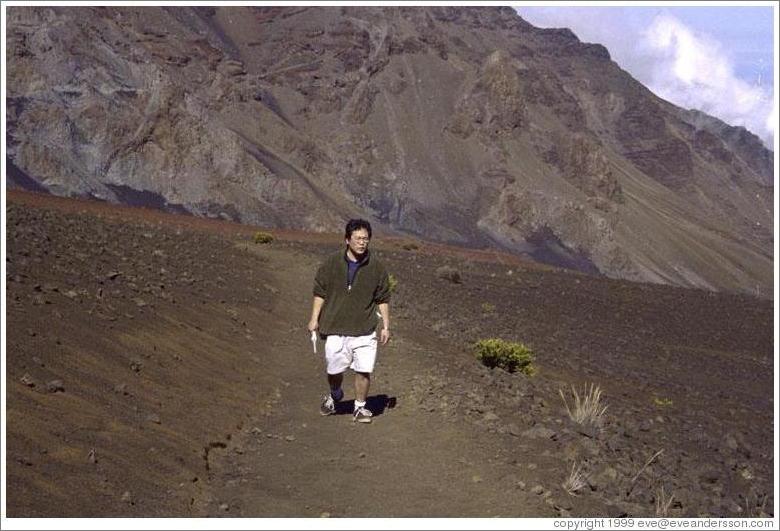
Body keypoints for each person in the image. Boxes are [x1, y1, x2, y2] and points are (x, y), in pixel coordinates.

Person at [308, 219, 391, 423]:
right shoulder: (331, 264)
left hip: (365, 328)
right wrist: (314, 319)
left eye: (366, 238)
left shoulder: (377, 268)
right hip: (335, 327)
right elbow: (320, 292)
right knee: (334, 371)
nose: (362, 242)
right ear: (347, 239)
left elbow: (383, 298)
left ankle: (360, 407)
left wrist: (386, 326)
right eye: (358, 238)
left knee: (364, 370)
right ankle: (335, 394)